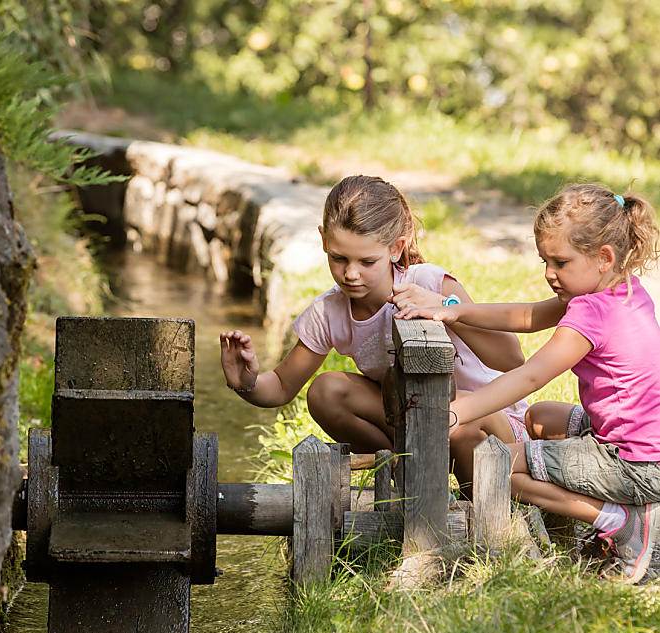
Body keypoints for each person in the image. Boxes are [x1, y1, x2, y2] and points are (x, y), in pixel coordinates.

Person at [399, 183, 660, 583]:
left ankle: (621, 520)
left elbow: (530, 376)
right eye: (544, 261)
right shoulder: (620, 289)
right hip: (641, 445)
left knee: (499, 466)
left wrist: (454, 413)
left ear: (604, 257)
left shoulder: (591, 312)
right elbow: (527, 315)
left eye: (559, 262)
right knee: (540, 419)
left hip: (633, 464)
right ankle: (575, 527)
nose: (548, 274)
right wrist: (453, 309)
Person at [220, 174, 527, 491]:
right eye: (338, 258)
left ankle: (477, 492)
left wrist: (447, 309)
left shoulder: (430, 283)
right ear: (324, 240)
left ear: (396, 249)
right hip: (421, 420)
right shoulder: (330, 312)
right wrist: (247, 383)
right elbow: (283, 386)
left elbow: (511, 358)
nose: (350, 274)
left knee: (445, 412)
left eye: (367, 261)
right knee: (326, 391)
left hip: (489, 422)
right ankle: (403, 471)